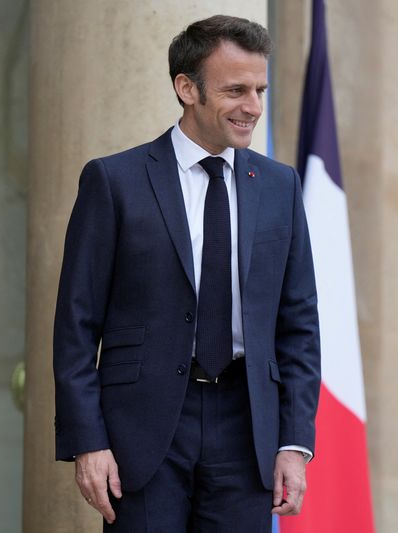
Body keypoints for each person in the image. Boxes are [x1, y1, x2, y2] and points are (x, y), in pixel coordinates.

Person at [53, 14, 320, 532]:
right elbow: (76, 323)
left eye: (260, 90)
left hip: (247, 430)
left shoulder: (280, 186)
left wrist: (294, 443)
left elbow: (299, 324)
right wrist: (88, 439)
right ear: (186, 88)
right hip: (143, 429)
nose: (254, 107)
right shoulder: (114, 181)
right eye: (236, 90)